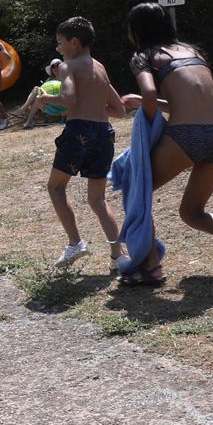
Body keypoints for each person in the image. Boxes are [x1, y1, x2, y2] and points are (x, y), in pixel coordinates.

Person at [118, 2, 213, 283]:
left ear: (136, 30)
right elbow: (187, 101)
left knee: (134, 187)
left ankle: (149, 267)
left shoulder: (145, 56)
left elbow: (150, 93)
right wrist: (143, 102)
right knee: (192, 212)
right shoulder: (193, 52)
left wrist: (149, 127)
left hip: (186, 137)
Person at [38, 17, 128, 270]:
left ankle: (75, 243)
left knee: (55, 188)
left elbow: (67, 99)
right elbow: (119, 109)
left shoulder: (69, 66)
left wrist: (45, 98)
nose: (58, 48)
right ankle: (118, 256)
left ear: (74, 43)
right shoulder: (100, 67)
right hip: (104, 133)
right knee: (97, 199)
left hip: (78, 132)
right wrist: (93, 108)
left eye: (60, 43)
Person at [4, 59, 67, 129]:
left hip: (60, 104)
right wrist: (43, 93)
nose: (55, 68)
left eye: (57, 65)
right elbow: (42, 92)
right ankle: (26, 116)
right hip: (48, 103)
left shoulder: (66, 78)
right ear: (51, 69)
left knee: (37, 97)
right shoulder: (49, 81)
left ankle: (24, 112)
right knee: (37, 92)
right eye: (53, 66)